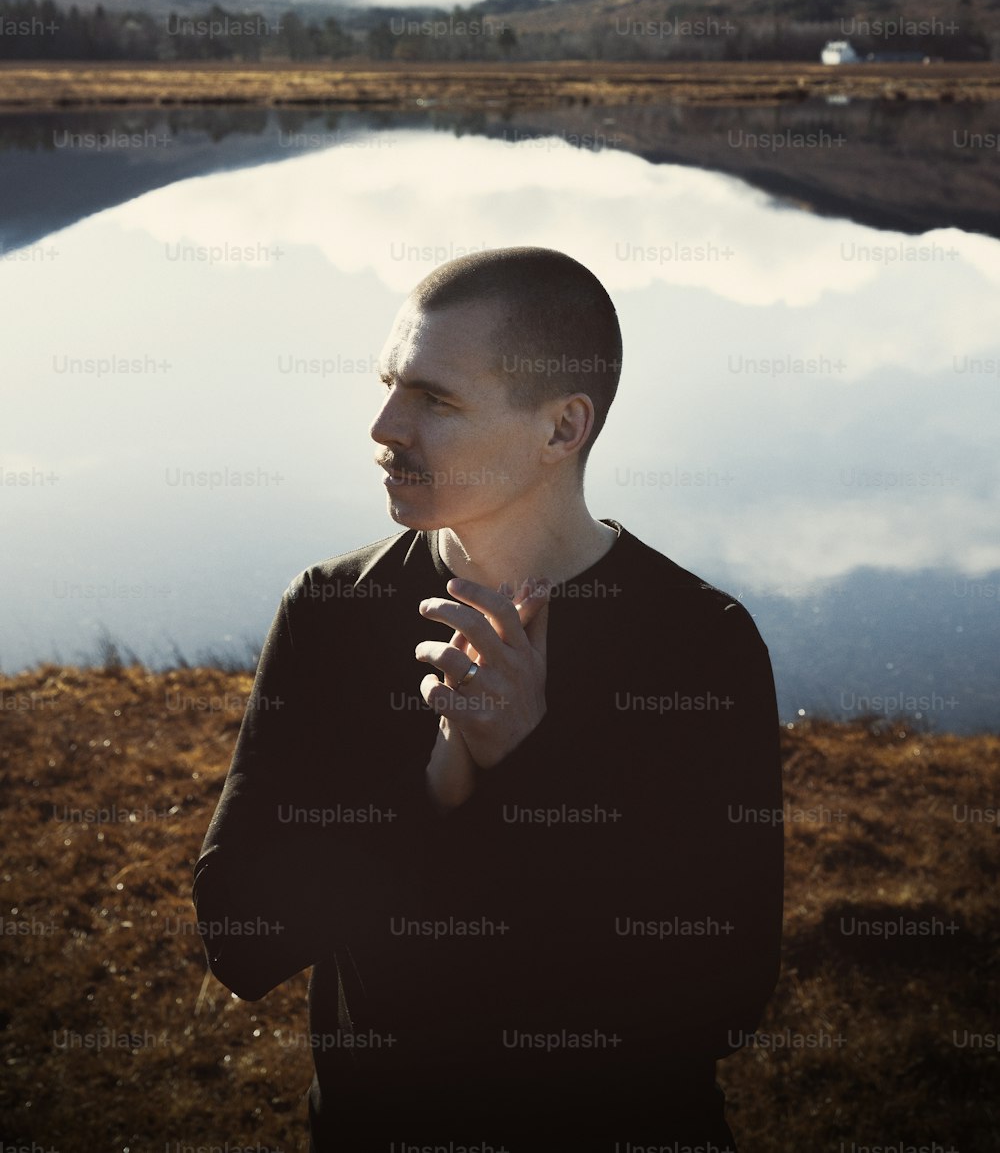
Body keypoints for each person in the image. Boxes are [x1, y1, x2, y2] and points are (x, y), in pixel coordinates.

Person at [193, 246, 784, 1151]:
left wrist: (531, 762)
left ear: (561, 429)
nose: (385, 424)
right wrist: (439, 784)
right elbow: (242, 935)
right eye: (392, 384)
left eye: (436, 398)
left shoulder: (699, 641)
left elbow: (722, 996)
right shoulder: (330, 609)